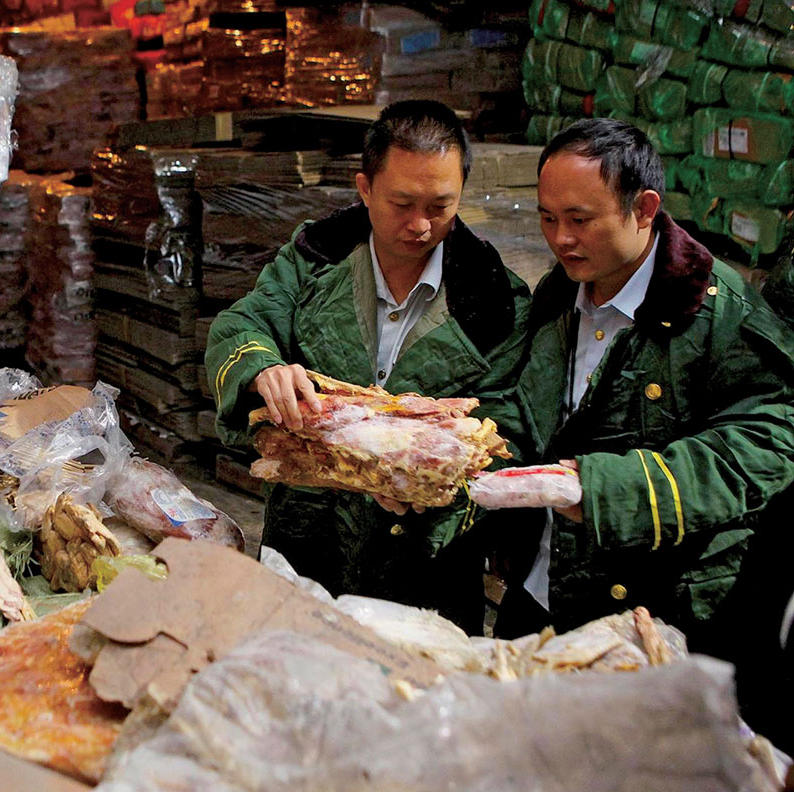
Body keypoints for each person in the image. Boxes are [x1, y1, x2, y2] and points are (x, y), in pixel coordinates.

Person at [492, 118, 794, 741]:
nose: (560, 239)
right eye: (548, 218)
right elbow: (521, 412)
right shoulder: (557, 296)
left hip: (649, 618)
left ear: (645, 209)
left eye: (580, 219)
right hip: (541, 597)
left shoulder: (719, 315)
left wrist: (605, 490)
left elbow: (767, 443)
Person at [205, 101, 531, 631]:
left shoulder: (495, 302)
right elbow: (243, 325)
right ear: (364, 188)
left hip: (425, 576)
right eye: (401, 203)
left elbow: (510, 427)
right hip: (305, 542)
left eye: (440, 206)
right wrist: (262, 368)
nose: (420, 225)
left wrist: (434, 488)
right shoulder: (316, 258)